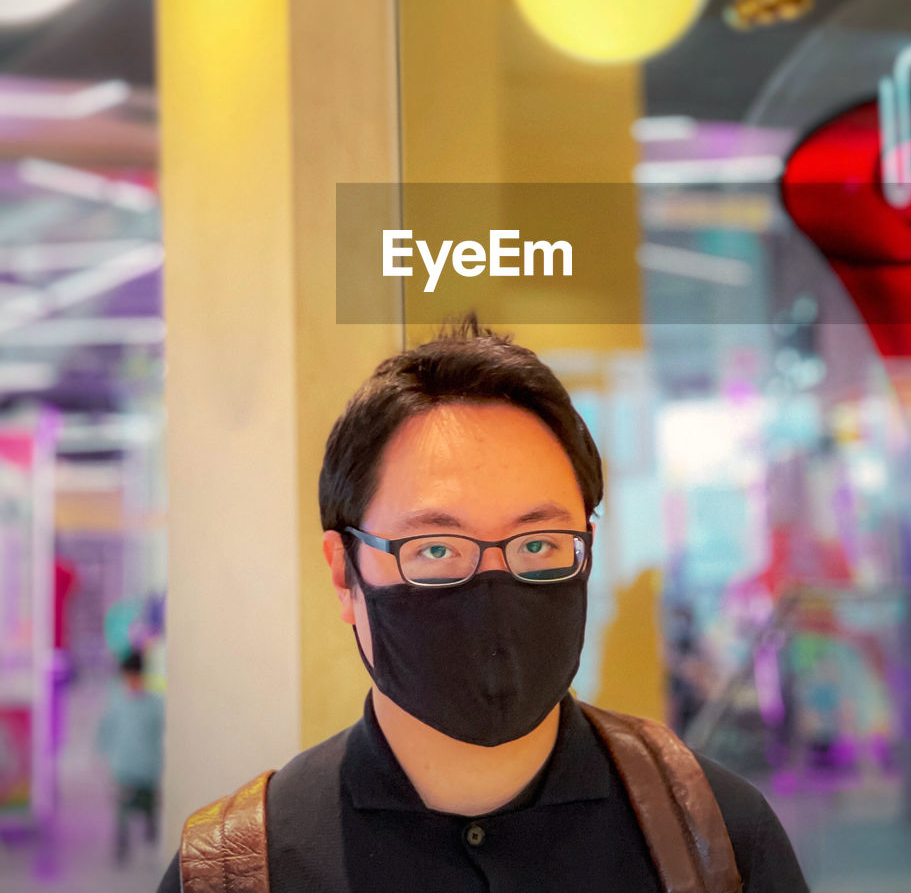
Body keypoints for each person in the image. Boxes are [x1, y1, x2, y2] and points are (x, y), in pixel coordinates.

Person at [158, 316, 808, 891]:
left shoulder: (715, 840)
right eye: (436, 549)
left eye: (538, 544)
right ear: (344, 575)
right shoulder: (236, 872)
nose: (494, 591)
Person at [97, 647, 164, 865]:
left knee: (148, 805)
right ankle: (122, 843)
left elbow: (160, 734)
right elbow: (107, 727)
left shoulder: (155, 703)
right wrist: (103, 751)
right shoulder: (116, 699)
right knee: (123, 809)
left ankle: (150, 830)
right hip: (123, 766)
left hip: (148, 767)